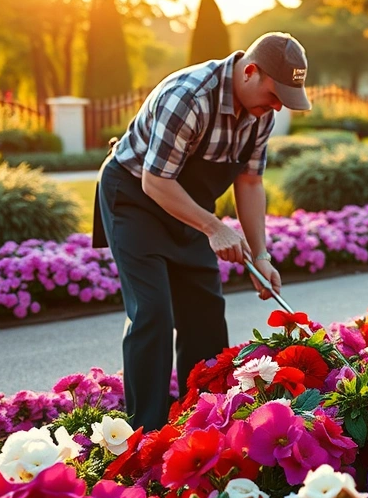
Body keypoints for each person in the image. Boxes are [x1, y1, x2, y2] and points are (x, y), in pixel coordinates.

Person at [92, 32, 312, 432]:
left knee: (206, 317)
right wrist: (213, 227)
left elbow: (249, 182)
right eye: (274, 93)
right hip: (136, 197)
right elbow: (156, 181)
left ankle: (201, 425)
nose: (277, 106)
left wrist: (260, 257)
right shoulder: (189, 96)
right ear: (250, 71)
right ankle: (146, 433)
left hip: (187, 206)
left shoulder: (261, 114)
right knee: (153, 314)